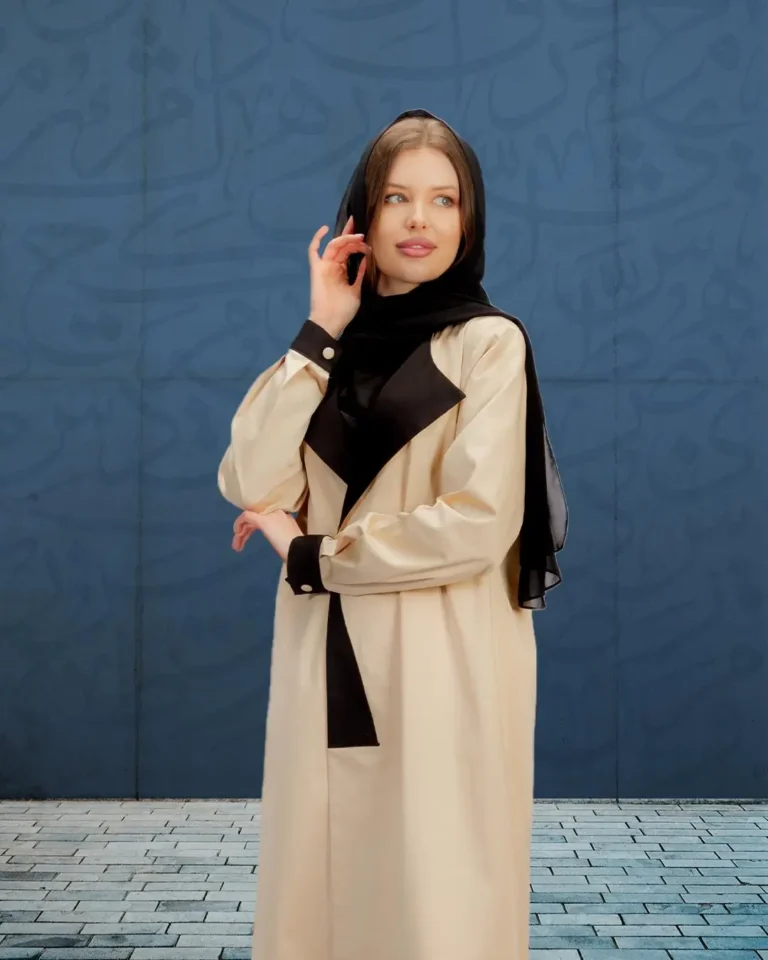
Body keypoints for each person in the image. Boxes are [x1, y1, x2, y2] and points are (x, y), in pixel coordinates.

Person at [217, 108, 568, 960]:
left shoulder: (487, 345)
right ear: (362, 217)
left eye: (445, 200)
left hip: (442, 656)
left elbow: (477, 524)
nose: (420, 220)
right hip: (328, 653)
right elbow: (250, 478)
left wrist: (314, 554)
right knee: (320, 887)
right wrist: (320, 329)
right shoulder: (331, 352)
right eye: (397, 198)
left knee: (432, 890)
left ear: (469, 219)